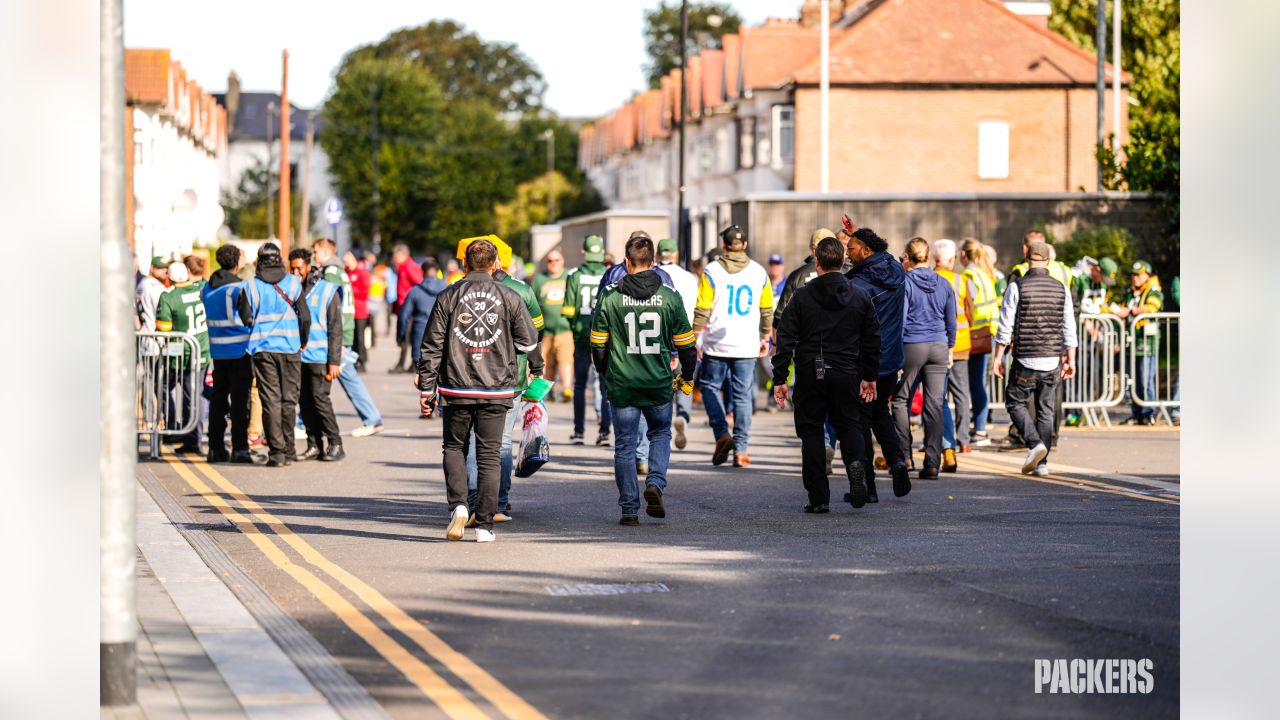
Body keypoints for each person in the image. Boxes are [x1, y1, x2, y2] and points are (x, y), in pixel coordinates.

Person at [417, 239, 543, 543]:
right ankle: (486, 524)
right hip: (497, 388)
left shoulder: (447, 296)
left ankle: (459, 506)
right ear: (496, 264)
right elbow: (528, 343)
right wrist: (535, 370)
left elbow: (431, 345)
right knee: (489, 454)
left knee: (454, 448)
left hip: (455, 386)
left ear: (464, 264)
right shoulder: (510, 296)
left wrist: (425, 388)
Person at [590, 233, 697, 526]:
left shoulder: (610, 296)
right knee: (660, 434)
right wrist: (686, 377)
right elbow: (688, 346)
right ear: (653, 262)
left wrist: (605, 372)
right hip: (659, 381)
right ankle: (655, 483)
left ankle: (628, 509)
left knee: (624, 444)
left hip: (622, 383)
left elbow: (597, 344)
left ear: (626, 263)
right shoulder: (670, 297)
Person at [773, 237, 881, 512]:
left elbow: (785, 338)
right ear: (844, 259)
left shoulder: (803, 296)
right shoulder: (859, 295)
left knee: (811, 431)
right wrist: (869, 375)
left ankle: (819, 497)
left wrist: (780, 377)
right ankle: (856, 463)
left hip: (811, 371)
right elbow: (872, 338)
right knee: (849, 425)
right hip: (847, 370)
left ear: (817, 262)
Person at [461, 235, 545, 524]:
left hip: (470, 372)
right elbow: (535, 333)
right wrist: (537, 367)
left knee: (474, 438)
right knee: (504, 441)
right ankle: (499, 503)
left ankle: (473, 501)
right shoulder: (521, 290)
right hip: (514, 375)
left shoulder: (461, 289)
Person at [992, 240, 1078, 476]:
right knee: (1046, 410)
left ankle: (1034, 443)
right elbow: (1069, 326)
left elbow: (1005, 326)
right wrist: (1071, 359)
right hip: (1052, 359)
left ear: (1027, 259)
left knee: (1014, 402)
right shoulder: (1061, 288)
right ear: (1049, 261)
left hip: (1025, 359)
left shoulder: (1017, 286)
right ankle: (1043, 463)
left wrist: (998, 357)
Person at [693, 225, 774, 467]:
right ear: (745, 246)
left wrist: (693, 336)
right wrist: (765, 336)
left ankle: (721, 433)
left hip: (717, 342)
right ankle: (741, 451)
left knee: (708, 386)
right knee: (741, 396)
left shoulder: (712, 271)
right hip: (746, 342)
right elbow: (766, 308)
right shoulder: (759, 273)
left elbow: (702, 308)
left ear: (725, 246)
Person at [845, 227, 911, 500]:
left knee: (861, 420)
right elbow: (881, 252)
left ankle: (869, 487)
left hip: (865, 361)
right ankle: (897, 461)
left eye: (851, 247)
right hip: (891, 358)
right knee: (879, 412)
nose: (847, 252)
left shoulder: (859, 285)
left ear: (866, 250)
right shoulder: (896, 270)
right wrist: (857, 231)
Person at [238, 243, 311, 467]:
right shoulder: (293, 282)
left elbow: (246, 317)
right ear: (279, 259)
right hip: (290, 348)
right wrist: (303, 341)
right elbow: (305, 317)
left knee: (270, 399)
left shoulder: (250, 285)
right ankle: (289, 450)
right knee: (289, 400)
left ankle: (277, 453)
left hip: (263, 350)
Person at [892, 238, 956, 479]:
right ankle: (932, 463)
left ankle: (905, 457)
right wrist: (948, 348)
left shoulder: (905, 283)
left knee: (900, 399)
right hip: (939, 345)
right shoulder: (944, 283)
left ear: (908, 257)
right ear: (928, 257)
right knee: (934, 404)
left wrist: (896, 354)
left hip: (912, 344)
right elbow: (951, 321)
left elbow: (901, 319)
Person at [314, 240, 385, 438]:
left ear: (326, 252)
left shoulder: (331, 273)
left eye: (316, 251)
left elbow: (330, 305)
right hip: (344, 330)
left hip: (339, 332)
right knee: (340, 376)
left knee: (327, 377)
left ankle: (372, 419)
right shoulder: (339, 271)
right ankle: (372, 419)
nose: (314, 254)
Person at [289, 248, 345, 461]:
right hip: (300, 356)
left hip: (321, 357)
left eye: (299, 268)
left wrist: (334, 361)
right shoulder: (292, 289)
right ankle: (314, 444)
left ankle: (335, 443)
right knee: (304, 402)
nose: (295, 272)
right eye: (292, 268)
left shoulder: (327, 290)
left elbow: (335, 328)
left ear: (308, 266)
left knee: (320, 400)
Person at [202, 245, 254, 463]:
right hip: (239, 350)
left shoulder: (206, 287)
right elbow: (248, 318)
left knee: (218, 399)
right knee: (240, 402)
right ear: (236, 263)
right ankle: (240, 449)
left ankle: (215, 448)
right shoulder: (238, 288)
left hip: (218, 351)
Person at [155, 260, 209, 454]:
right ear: (187, 273)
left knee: (164, 387)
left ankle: (184, 434)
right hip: (202, 350)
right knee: (195, 396)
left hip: (181, 355)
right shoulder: (202, 289)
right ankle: (192, 437)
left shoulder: (168, 297)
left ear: (168, 278)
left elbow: (163, 329)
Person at [561, 236, 609, 444]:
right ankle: (605, 432)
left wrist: (576, 328)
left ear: (583, 251)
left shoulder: (574, 275)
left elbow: (569, 310)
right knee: (606, 386)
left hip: (581, 336)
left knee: (580, 385)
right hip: (604, 338)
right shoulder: (609, 274)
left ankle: (579, 431)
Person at [1108, 260, 1164, 425]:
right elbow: (1121, 308)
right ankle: (1137, 413)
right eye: (1133, 275)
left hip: (1147, 342)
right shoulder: (1129, 292)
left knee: (1145, 379)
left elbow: (1152, 307)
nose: (1134, 278)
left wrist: (1131, 311)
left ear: (1147, 275)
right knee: (1132, 380)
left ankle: (1148, 413)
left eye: (1138, 275)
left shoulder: (1154, 290)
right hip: (1130, 342)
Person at [656, 238, 699, 450]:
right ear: (675, 254)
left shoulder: (654, 275)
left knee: (662, 383)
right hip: (684, 333)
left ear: (657, 255)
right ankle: (683, 415)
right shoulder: (689, 277)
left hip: (658, 335)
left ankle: (664, 422)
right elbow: (698, 307)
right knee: (685, 377)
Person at [934, 239, 973, 469]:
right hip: (960, 344)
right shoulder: (961, 280)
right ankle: (963, 440)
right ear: (951, 260)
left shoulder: (930, 278)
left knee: (938, 397)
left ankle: (936, 442)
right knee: (961, 393)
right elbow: (970, 309)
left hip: (937, 344)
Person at [960, 239, 999, 446]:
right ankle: (981, 428)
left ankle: (975, 430)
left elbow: (970, 305)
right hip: (986, 334)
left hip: (973, 334)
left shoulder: (968, 275)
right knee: (978, 383)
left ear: (965, 255)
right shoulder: (985, 274)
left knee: (969, 384)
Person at [534, 250, 573, 401]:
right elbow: (534, 303)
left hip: (565, 328)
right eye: (550, 260)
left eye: (557, 260)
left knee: (565, 360)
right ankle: (549, 390)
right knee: (547, 362)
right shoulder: (540, 279)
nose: (554, 263)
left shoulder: (569, 276)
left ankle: (567, 389)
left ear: (562, 260)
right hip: (546, 329)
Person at [398, 258, 448, 370]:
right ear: (437, 271)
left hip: (420, 334)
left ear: (422, 272)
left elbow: (404, 315)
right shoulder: (447, 290)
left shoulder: (415, 291)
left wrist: (400, 336)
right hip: (441, 334)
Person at [391, 244, 424, 373]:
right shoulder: (402, 267)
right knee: (405, 336)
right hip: (403, 306)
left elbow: (419, 283)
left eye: (395, 256)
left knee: (406, 335)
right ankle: (408, 363)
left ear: (402, 255)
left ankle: (408, 364)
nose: (394, 258)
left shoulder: (409, 267)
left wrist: (412, 301)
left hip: (408, 307)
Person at [345, 249, 372, 371]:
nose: (346, 259)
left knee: (360, 338)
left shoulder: (362, 272)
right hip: (349, 311)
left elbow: (365, 291)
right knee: (353, 337)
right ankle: (354, 360)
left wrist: (350, 290)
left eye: (348, 256)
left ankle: (362, 360)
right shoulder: (346, 272)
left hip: (360, 311)